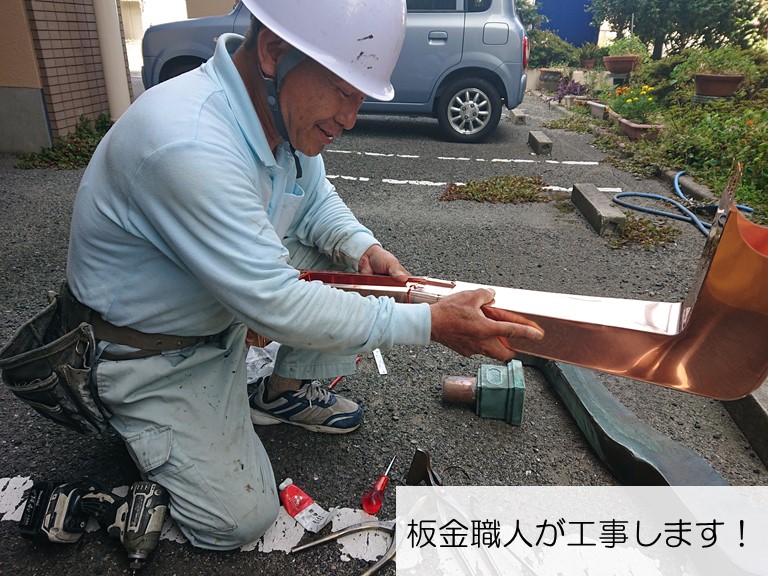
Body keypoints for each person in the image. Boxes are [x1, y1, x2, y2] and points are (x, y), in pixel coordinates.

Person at [65, 0, 544, 550]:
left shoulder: (274, 116)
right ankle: (129, 459)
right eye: (343, 89)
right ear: (274, 51)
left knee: (343, 263)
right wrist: (428, 322)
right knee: (237, 521)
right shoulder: (189, 139)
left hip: (211, 315)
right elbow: (279, 303)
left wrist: (364, 247)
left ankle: (278, 392)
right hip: (151, 357)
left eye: (361, 95)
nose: (351, 115)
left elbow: (314, 199)